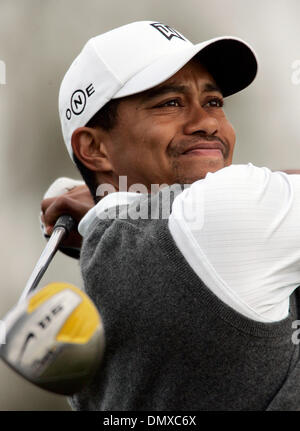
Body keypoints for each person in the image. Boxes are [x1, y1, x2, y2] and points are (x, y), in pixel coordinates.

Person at [41, 21, 300, 410]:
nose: (209, 122)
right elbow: (231, 203)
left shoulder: (111, 258)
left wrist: (106, 203)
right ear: (94, 148)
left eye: (213, 102)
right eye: (171, 103)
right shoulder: (222, 214)